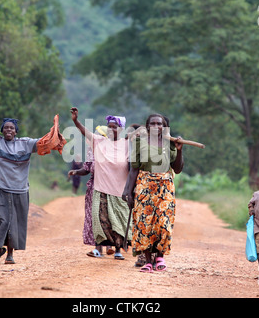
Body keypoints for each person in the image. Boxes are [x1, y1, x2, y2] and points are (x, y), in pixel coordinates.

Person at [0, 98, 66, 264]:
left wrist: (55, 134)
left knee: (13, 223)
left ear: (16, 132)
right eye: (6, 128)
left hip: (19, 191)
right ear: (2, 131)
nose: (8, 130)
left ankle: (9, 254)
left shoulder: (26, 143)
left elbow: (44, 144)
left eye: (11, 128)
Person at [123, 114, 184, 273]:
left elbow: (177, 168)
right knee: (145, 223)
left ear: (164, 127)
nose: (156, 126)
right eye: (153, 123)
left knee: (163, 222)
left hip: (165, 187)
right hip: (144, 186)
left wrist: (179, 151)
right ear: (147, 126)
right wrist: (128, 191)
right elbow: (133, 170)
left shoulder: (169, 143)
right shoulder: (139, 143)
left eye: (160, 124)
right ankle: (148, 261)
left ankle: (160, 257)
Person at [71, 107, 131, 260]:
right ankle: (98, 249)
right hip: (100, 188)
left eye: (115, 127)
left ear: (121, 129)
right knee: (100, 220)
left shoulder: (127, 144)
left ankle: (118, 250)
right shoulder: (99, 141)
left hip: (119, 191)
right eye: (109, 127)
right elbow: (86, 132)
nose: (111, 129)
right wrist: (76, 121)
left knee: (117, 222)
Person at [67, 126, 114, 256]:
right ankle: (98, 249)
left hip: (110, 187)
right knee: (95, 216)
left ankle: (110, 245)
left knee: (109, 216)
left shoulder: (114, 150)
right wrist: (76, 172)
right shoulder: (91, 150)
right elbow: (87, 169)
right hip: (95, 186)